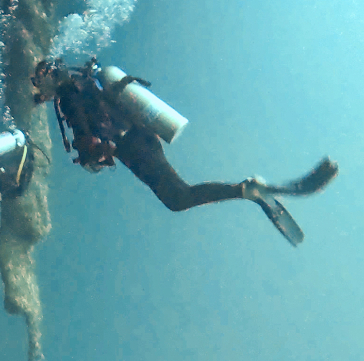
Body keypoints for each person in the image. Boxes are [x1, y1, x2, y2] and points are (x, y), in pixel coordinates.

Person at [31, 57, 338, 246]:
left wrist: (91, 154)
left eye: (38, 80)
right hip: (141, 137)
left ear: (51, 77)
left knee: (178, 197)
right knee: (178, 197)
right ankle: (247, 191)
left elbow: (89, 138)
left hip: (132, 146)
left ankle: (248, 190)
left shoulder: (68, 97)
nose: (37, 86)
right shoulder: (84, 83)